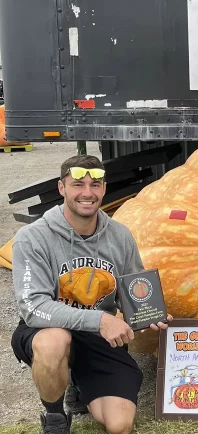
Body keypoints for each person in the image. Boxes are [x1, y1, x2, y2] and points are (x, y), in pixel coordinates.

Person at [10, 155, 173, 434]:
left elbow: (132, 292)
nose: (87, 193)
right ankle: (55, 417)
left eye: (95, 185)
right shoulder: (32, 238)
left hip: (98, 337)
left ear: (104, 189)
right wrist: (100, 320)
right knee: (54, 341)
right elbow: (32, 307)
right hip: (47, 327)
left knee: (120, 425)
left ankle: (79, 383)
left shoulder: (120, 236)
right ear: (62, 188)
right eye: (78, 185)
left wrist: (149, 313)